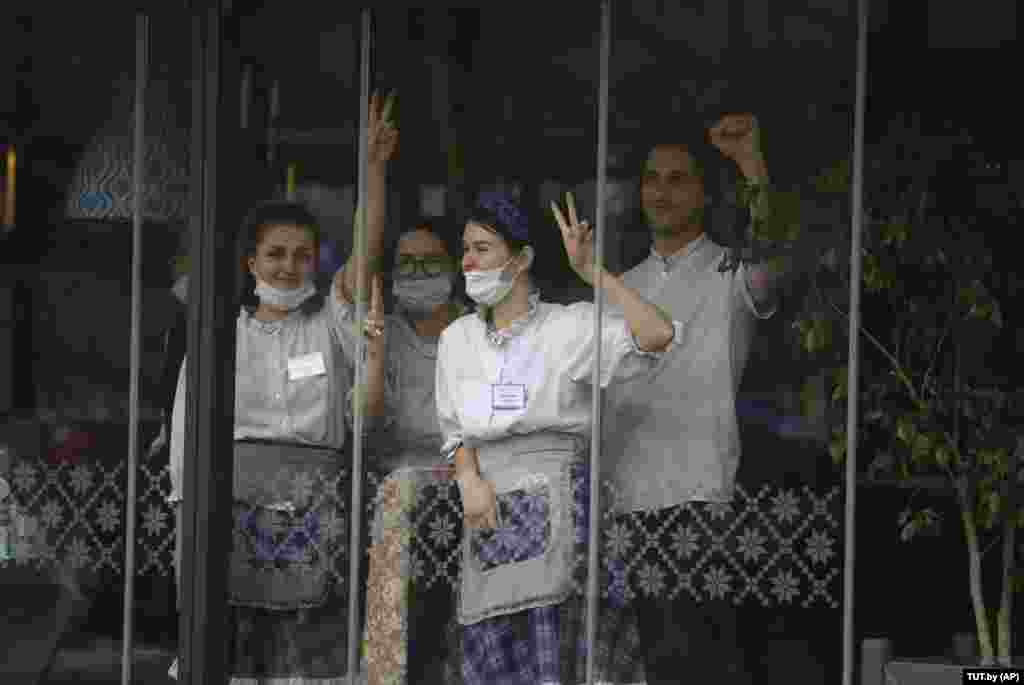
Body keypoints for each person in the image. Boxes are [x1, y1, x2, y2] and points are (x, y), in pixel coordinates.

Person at [168, 93, 397, 684]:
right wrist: (184, 512)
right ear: (249, 261)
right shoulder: (222, 334)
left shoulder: (331, 321)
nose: (288, 266)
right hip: (230, 510)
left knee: (306, 659)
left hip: (316, 509)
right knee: (237, 655)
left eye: (302, 255)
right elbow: (186, 427)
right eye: (274, 254)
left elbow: (365, 254)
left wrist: (373, 171)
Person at [437, 189, 679, 685]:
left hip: (564, 512)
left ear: (521, 258)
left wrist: (592, 273)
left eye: (482, 248)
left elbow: (656, 335)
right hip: (489, 517)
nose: (468, 261)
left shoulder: (568, 328)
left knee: (564, 659)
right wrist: (467, 477)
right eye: (465, 249)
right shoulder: (455, 338)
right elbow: (454, 430)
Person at [601, 113, 799, 684]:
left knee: (698, 668)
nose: (661, 191)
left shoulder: (729, 271)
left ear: (704, 194)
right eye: (651, 179)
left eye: (678, 178)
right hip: (623, 503)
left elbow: (770, 261)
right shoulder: (620, 286)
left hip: (698, 499)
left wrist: (751, 164)